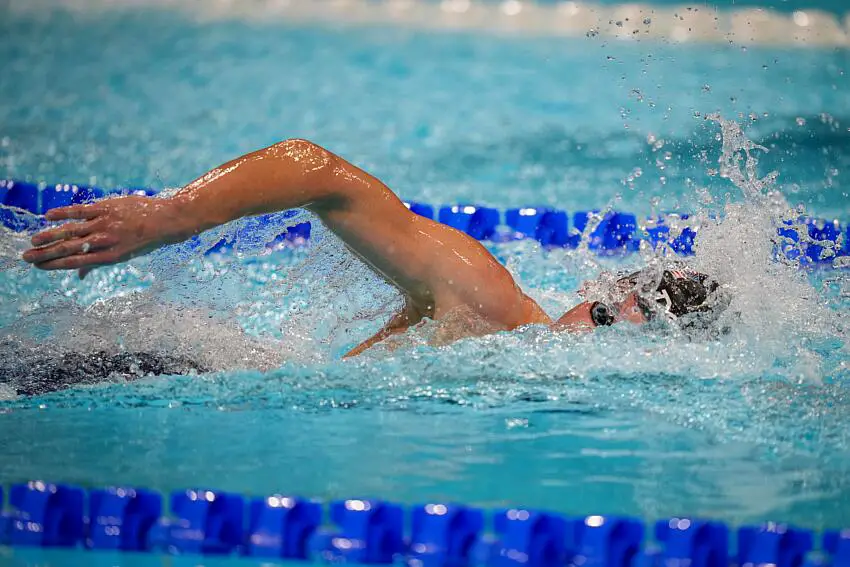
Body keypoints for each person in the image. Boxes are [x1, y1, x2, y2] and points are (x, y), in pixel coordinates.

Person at [21, 139, 725, 358]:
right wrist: (173, 215)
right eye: (604, 319)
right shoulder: (491, 305)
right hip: (175, 373)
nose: (595, 350)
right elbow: (316, 170)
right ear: (587, 296)